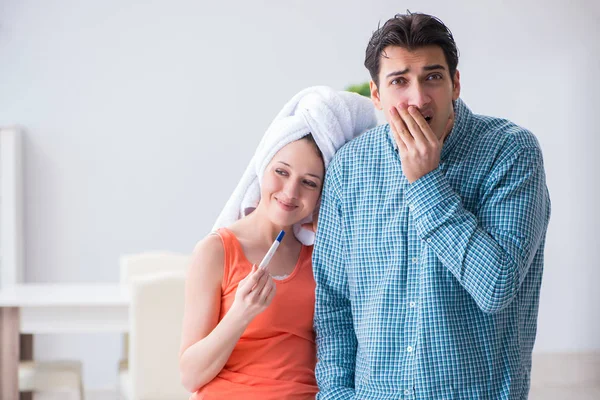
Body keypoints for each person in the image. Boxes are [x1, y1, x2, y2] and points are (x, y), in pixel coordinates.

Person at [313, 12, 551, 400]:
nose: (418, 98)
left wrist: (426, 181)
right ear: (377, 94)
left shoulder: (511, 152)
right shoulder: (349, 167)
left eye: (433, 77)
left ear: (455, 83)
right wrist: (336, 394)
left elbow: (495, 287)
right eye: (399, 81)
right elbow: (333, 304)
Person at [179, 86, 377, 400]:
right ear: (262, 168)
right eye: (281, 172)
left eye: (309, 182)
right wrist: (241, 313)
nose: (289, 192)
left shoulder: (324, 257)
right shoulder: (216, 251)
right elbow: (190, 375)